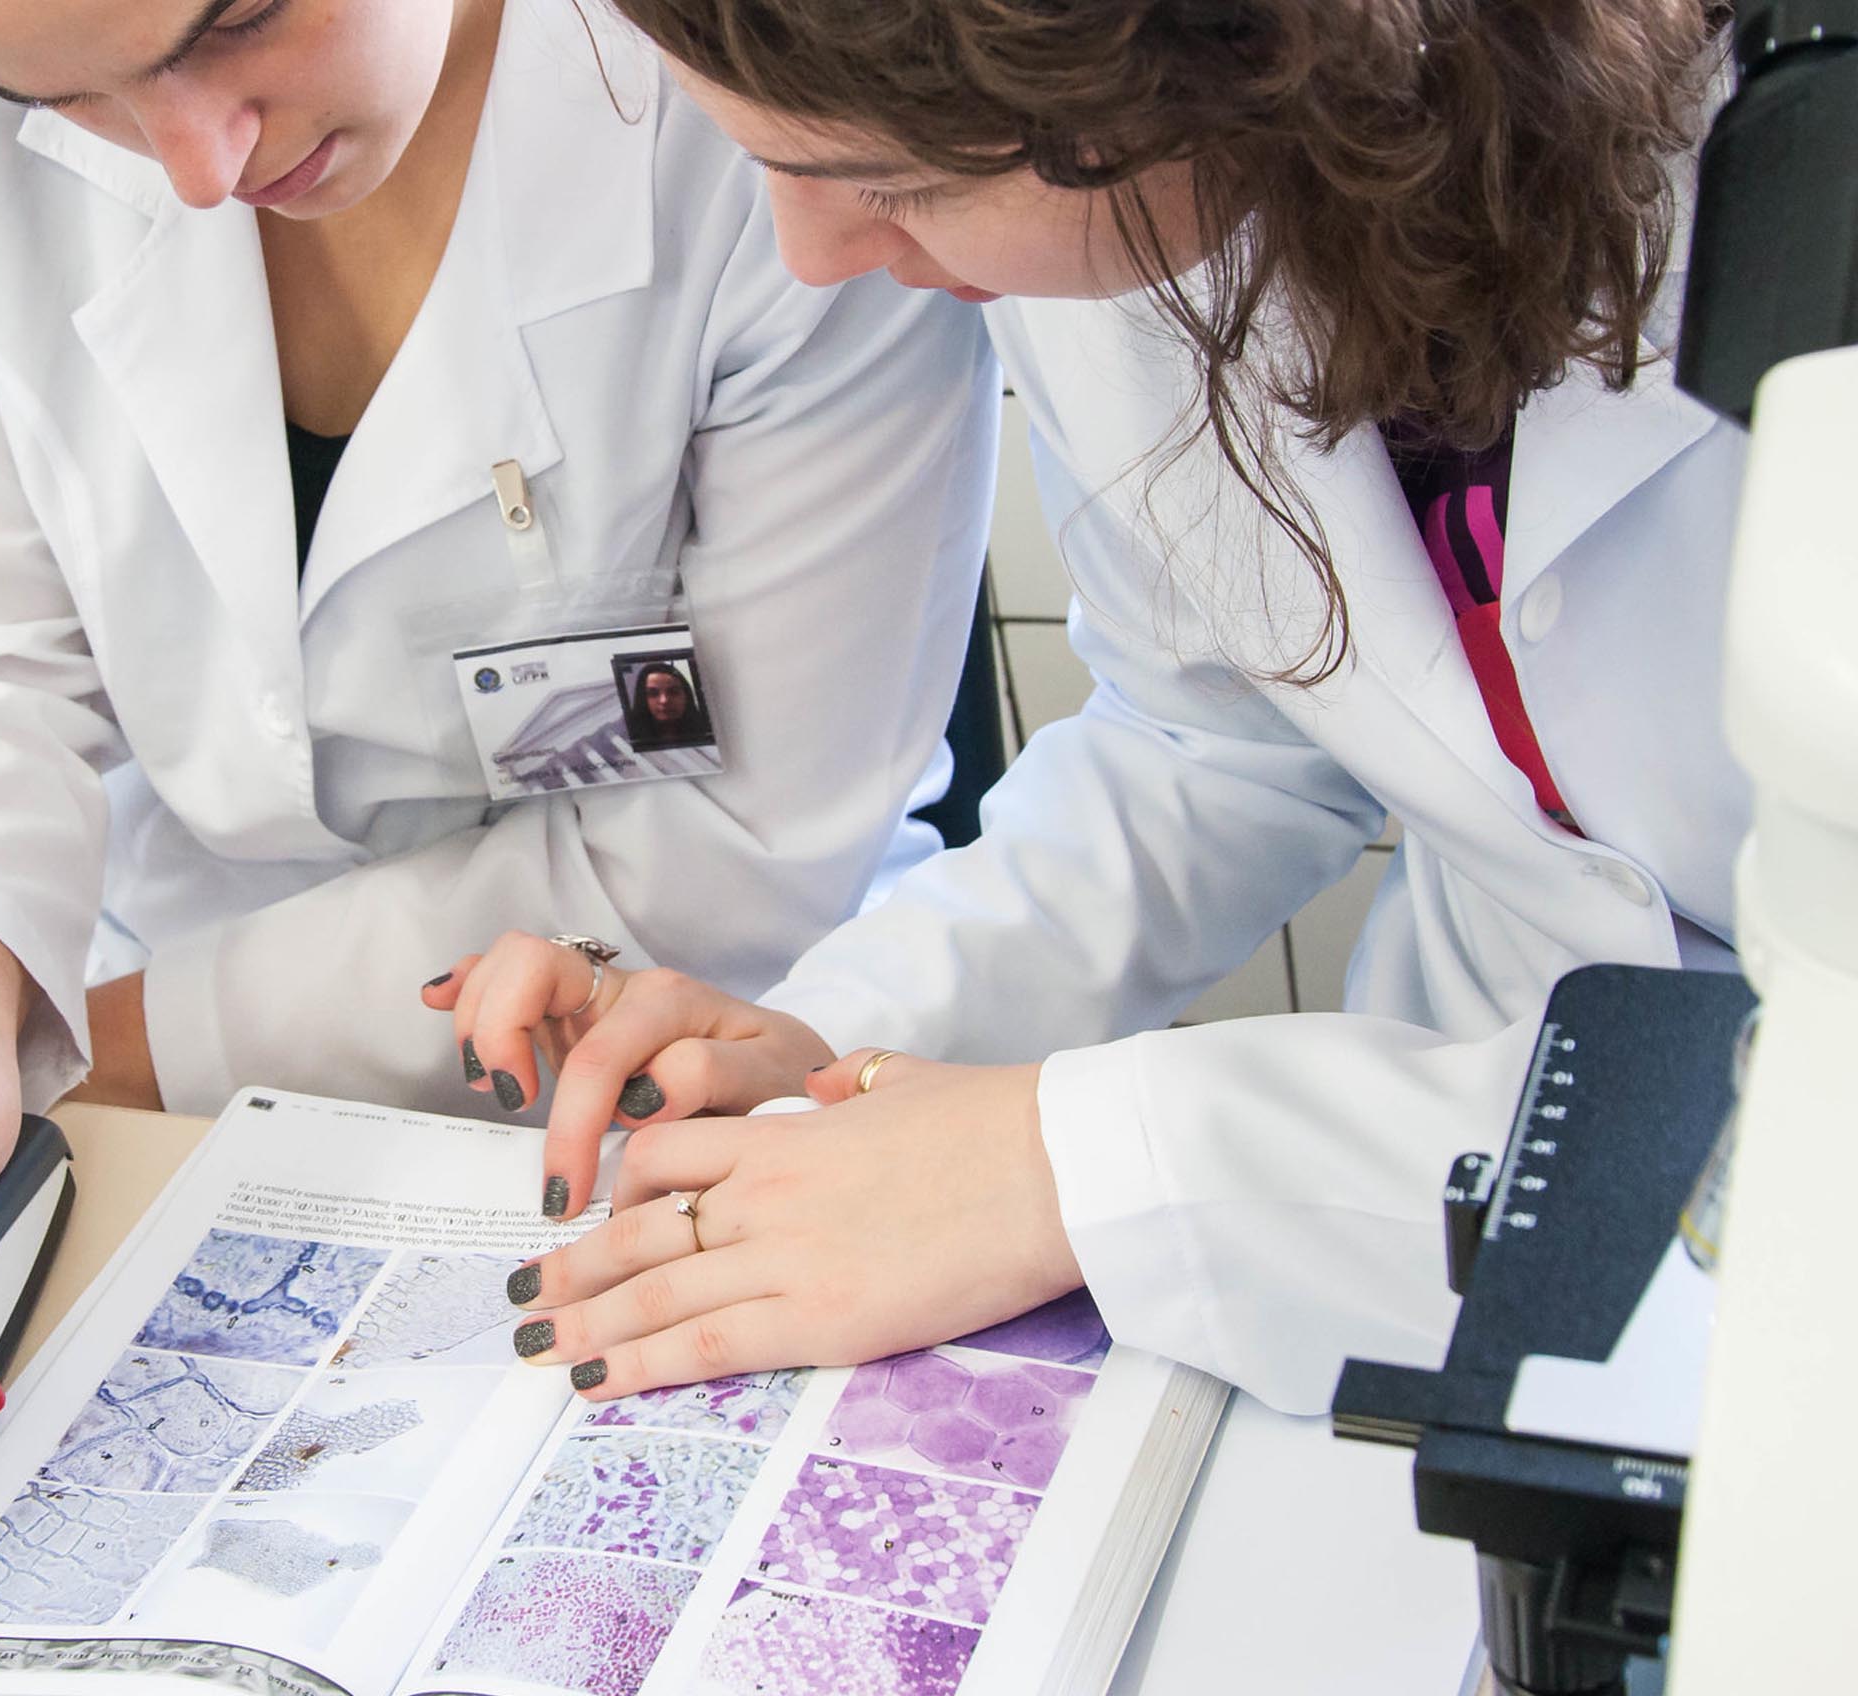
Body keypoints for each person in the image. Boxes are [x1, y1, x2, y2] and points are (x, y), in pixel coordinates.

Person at [431, 0, 1741, 1415]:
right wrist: (837, 1051)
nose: (814, 261)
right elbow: (1211, 743)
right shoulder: (1136, 221)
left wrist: (1083, 1165)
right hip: (1429, 1258)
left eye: (896, 185)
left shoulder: (1799, 213)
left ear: (1228, 48)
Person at [0, 0, 999, 1309]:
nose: (201, 168)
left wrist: (84, 1054)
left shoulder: (765, 73)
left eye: (243, 19)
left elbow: (742, 842)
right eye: (69, 99)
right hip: (150, 1092)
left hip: (691, 1071)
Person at [624, 659, 713, 750]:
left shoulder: (710, 733)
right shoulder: (627, 743)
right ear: (642, 699)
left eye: (673, 692)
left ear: (687, 696)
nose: (664, 700)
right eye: (653, 694)